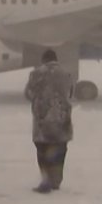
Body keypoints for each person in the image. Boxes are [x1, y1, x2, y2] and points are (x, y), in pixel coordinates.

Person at [24, 49, 74, 194]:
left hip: (43, 118)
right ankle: (56, 179)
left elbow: (28, 93)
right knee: (60, 149)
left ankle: (46, 180)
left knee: (42, 149)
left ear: (43, 60)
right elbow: (70, 93)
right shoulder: (66, 74)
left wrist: (39, 100)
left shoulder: (36, 74)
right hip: (62, 118)